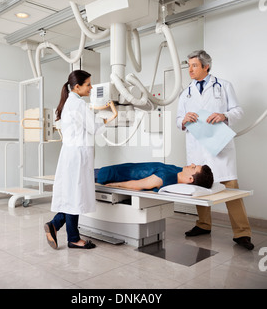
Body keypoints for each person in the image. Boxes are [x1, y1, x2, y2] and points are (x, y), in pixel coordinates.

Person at [176, 50, 254, 250]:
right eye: (188, 65)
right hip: (197, 149)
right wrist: (183, 120)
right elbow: (178, 120)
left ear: (206, 66)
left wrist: (224, 115)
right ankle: (203, 224)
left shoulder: (224, 86)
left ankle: (242, 233)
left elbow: (238, 110)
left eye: (194, 65)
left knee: (231, 189)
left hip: (220, 148)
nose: (190, 69)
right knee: (199, 189)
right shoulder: (186, 92)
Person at [44, 70, 117, 250]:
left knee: (72, 196)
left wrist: (100, 115)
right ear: (77, 86)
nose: (91, 88)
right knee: (75, 196)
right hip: (77, 156)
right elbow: (94, 127)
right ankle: (73, 238)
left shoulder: (71, 103)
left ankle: (55, 224)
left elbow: (87, 122)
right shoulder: (79, 105)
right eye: (88, 84)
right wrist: (111, 117)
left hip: (70, 154)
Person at [95, 162, 214, 191]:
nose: (192, 164)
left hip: (109, 174)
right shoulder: (178, 170)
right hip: (114, 169)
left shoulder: (165, 177)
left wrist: (116, 185)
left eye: (194, 168)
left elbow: (137, 185)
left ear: (190, 179)